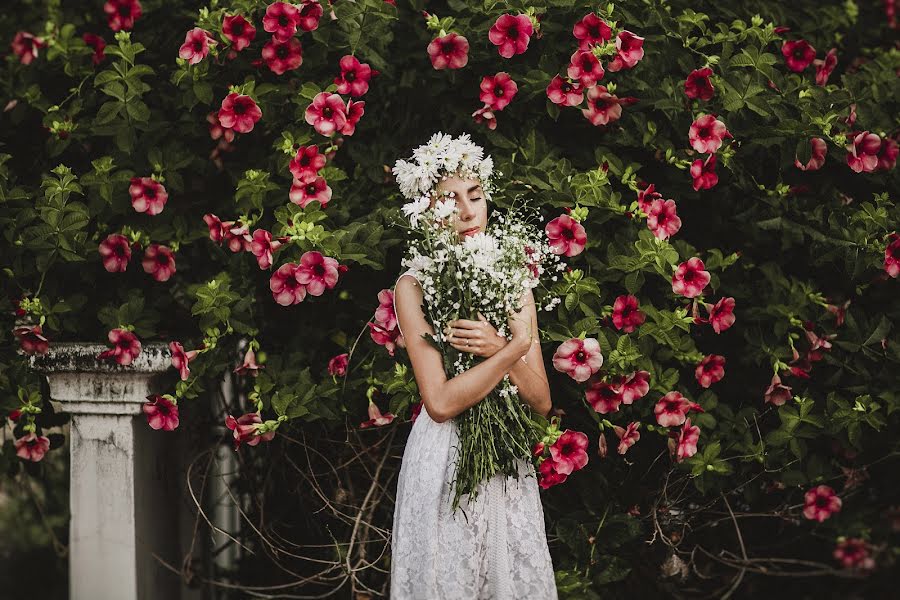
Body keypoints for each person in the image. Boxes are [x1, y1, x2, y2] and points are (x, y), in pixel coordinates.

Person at [389, 133, 559, 599]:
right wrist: (507, 350)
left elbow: (541, 401)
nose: (467, 211)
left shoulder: (512, 275)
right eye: (450, 200)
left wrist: (504, 344)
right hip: (443, 460)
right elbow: (440, 402)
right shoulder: (414, 284)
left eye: (476, 196)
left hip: (503, 463)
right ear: (427, 210)